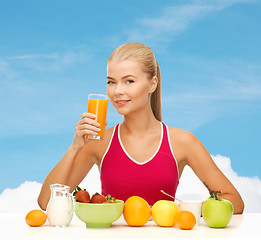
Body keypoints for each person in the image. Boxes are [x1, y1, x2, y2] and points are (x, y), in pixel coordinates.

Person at [38, 42, 244, 214]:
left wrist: (186, 210)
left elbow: (234, 201)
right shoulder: (99, 142)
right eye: (111, 82)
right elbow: (46, 203)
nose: (117, 91)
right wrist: (75, 146)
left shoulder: (183, 142)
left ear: (152, 84)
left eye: (129, 81)